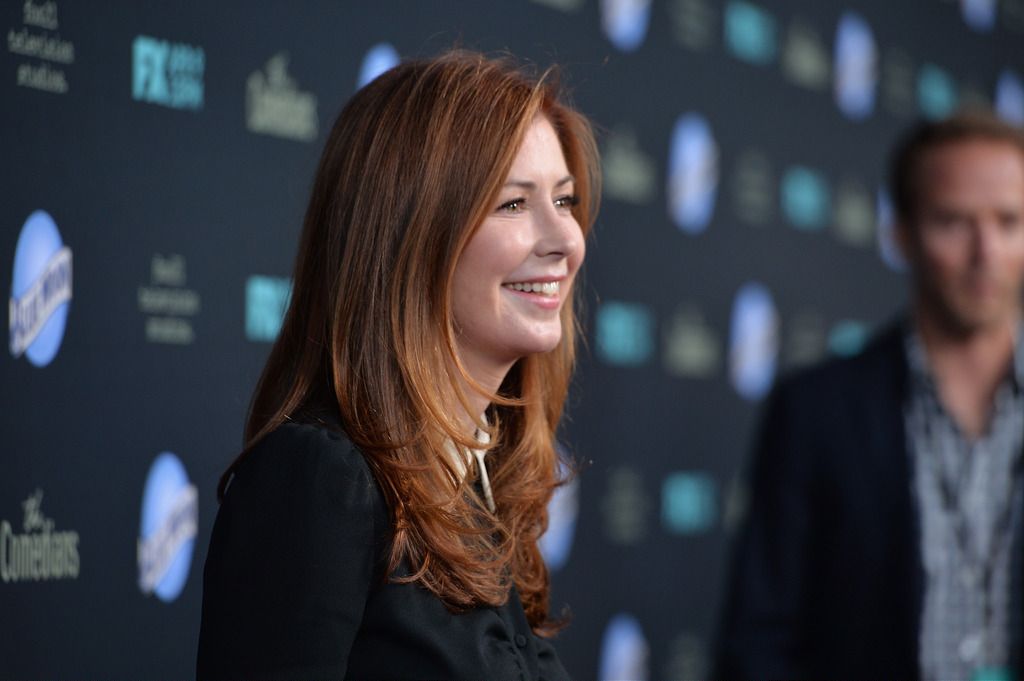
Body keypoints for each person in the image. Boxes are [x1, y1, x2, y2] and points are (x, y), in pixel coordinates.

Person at [195, 50, 599, 680]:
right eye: (515, 205)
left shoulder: (475, 478)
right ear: (412, 232)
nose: (566, 240)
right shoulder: (321, 479)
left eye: (566, 200)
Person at [715, 111, 1024, 679]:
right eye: (954, 222)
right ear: (901, 235)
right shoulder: (815, 410)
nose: (987, 252)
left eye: (1009, 222)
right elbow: (757, 640)